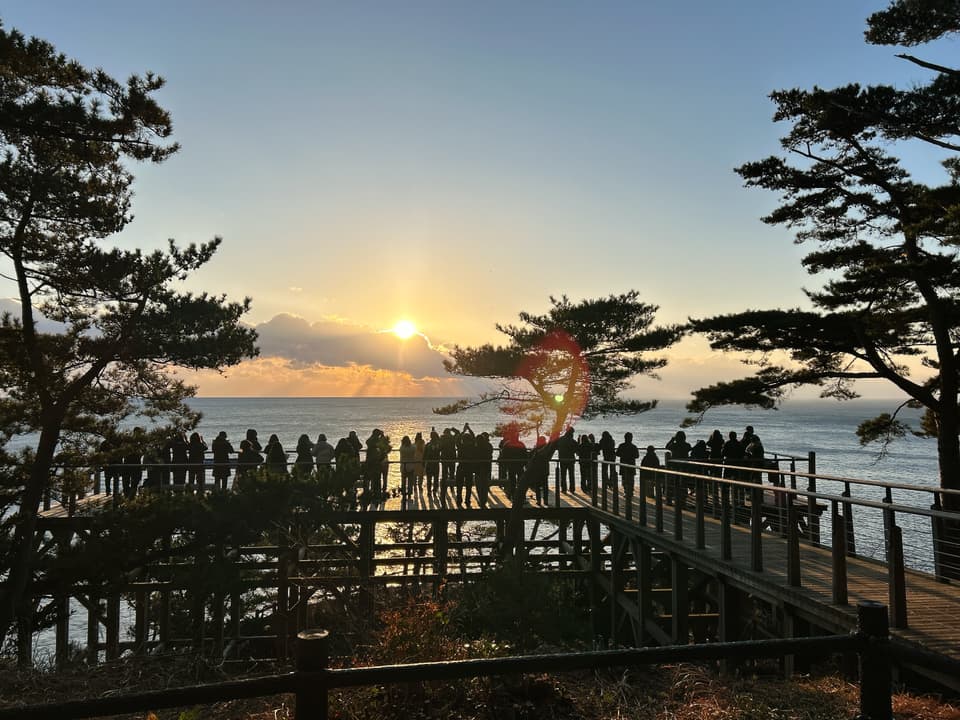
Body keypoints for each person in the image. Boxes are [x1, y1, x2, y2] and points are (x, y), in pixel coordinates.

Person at [616, 432, 640, 500]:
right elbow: (637, 456)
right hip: (631, 464)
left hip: (624, 464)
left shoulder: (621, 445)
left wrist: (624, 455)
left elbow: (617, 454)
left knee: (625, 479)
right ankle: (630, 491)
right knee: (631, 479)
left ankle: (626, 491)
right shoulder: (634, 446)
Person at [555, 427, 577, 493]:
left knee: (563, 475)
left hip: (562, 459)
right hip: (570, 459)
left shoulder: (561, 439)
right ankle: (572, 489)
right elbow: (576, 449)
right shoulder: (572, 441)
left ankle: (564, 488)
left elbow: (557, 447)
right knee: (571, 475)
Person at [475, 431, 494, 507]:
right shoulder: (489, 446)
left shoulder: (476, 447)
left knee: (479, 485)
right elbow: (490, 455)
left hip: (478, 468)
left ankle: (481, 499)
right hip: (486, 467)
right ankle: (484, 500)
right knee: (485, 484)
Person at [424, 430, 441, 494]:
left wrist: (423, 463)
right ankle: (434, 490)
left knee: (429, 478)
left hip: (430, 463)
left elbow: (425, 455)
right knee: (435, 478)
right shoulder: (438, 445)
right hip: (435, 463)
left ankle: (430, 491)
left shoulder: (428, 445)